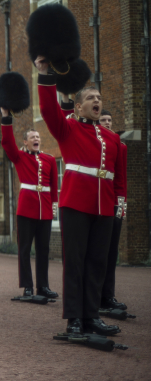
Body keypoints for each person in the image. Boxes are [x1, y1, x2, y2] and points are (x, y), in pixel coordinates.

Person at [37, 66, 124, 336]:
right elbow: (49, 110)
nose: (96, 101)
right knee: (75, 263)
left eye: (98, 98)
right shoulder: (69, 129)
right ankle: (74, 317)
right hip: (75, 204)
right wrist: (45, 75)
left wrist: (118, 206)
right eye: (90, 98)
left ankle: (92, 316)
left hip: (104, 206)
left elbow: (118, 179)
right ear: (78, 107)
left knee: (97, 262)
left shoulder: (113, 139)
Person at [0, 115, 59, 299]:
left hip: (45, 209)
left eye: (38, 137)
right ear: (25, 142)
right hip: (26, 208)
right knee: (24, 249)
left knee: (43, 249)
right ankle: (27, 286)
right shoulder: (20, 157)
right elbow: (7, 143)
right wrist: (6, 120)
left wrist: (54, 206)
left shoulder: (49, 159)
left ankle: (43, 286)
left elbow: (53, 185)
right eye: (32, 137)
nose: (36, 139)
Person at [99, 110, 128, 310]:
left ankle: (108, 295)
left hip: (113, 204)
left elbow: (121, 179)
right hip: (96, 204)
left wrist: (121, 207)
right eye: (103, 120)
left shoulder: (121, 146)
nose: (107, 123)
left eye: (109, 120)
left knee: (111, 252)